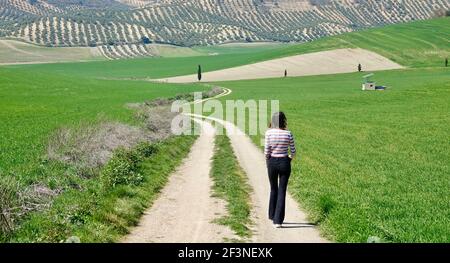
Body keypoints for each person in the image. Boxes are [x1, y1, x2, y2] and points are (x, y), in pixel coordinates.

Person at [264, 112, 296, 228]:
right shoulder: (288, 134)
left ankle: (272, 215)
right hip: (284, 162)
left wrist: (268, 161)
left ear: (273, 121)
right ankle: (278, 221)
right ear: (284, 121)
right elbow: (293, 152)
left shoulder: (268, 133)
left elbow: (266, 152)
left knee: (273, 189)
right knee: (282, 190)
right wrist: (288, 160)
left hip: (272, 162)